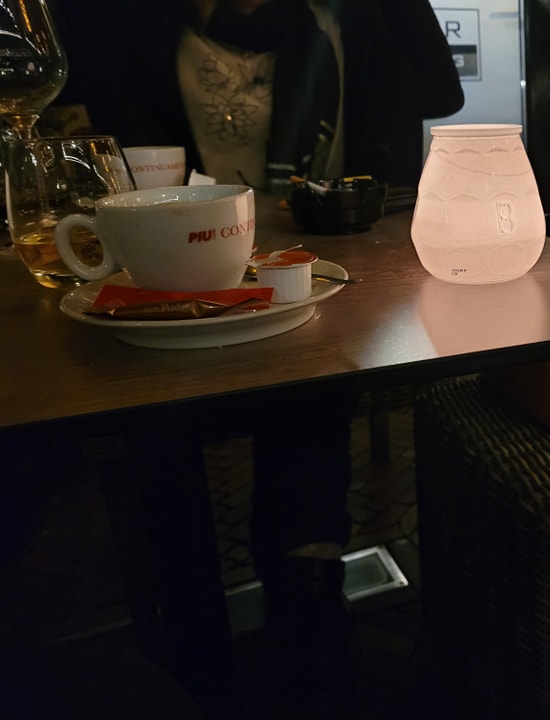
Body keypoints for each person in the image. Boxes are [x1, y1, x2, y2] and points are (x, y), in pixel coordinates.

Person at [50, 0, 464, 712]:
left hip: (313, 275)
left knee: (309, 394)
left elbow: (440, 90)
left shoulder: (348, 17)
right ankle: (188, 628)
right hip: (162, 286)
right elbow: (59, 115)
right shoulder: (123, 21)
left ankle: (308, 598)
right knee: (155, 431)